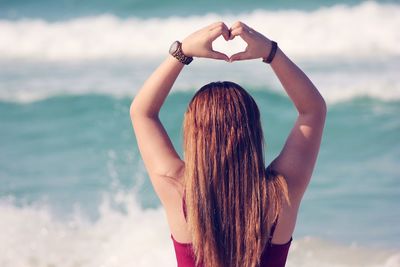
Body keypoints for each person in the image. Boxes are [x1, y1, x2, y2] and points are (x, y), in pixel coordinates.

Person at [130, 21, 326, 267]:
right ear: (253, 131)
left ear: (194, 136)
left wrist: (183, 51)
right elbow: (313, 110)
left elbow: (141, 112)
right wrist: (271, 52)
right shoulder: (281, 193)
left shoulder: (178, 190)